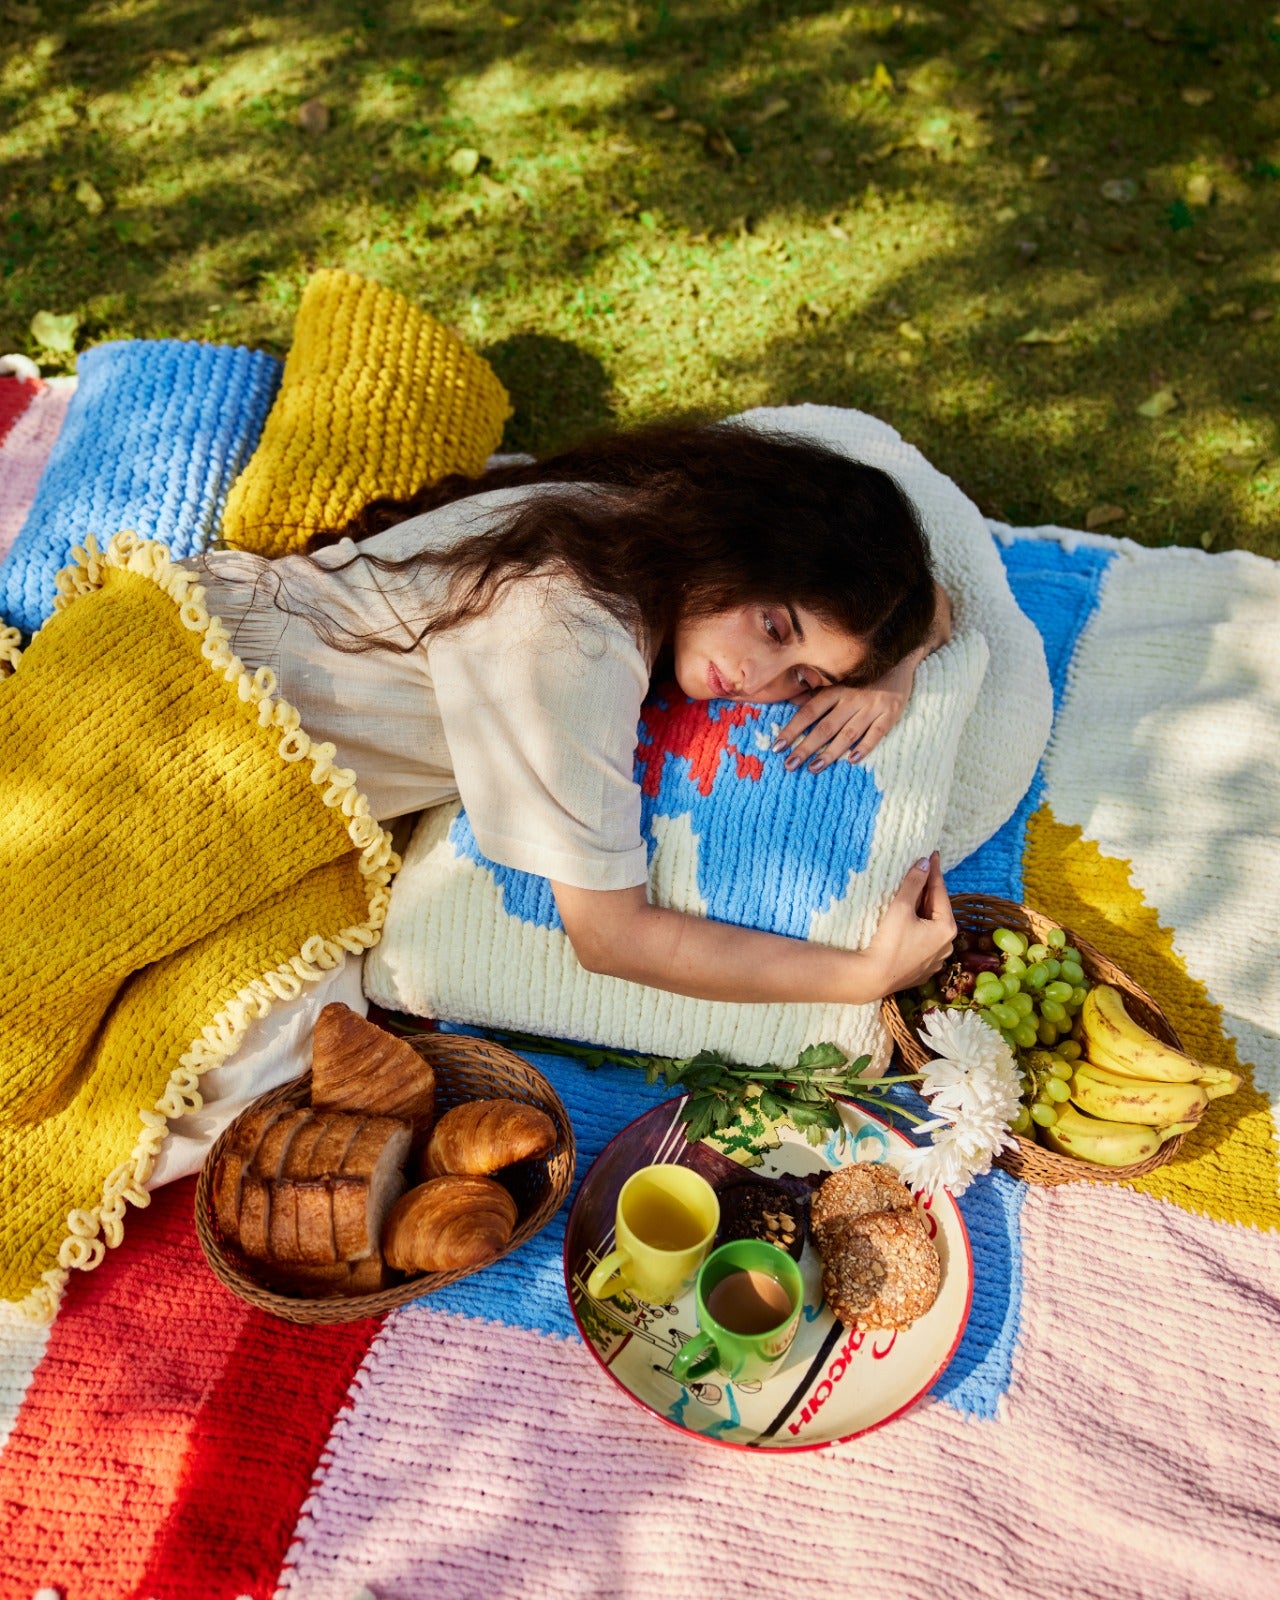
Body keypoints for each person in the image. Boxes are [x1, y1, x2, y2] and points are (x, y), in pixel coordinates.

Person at [191, 419, 957, 1011]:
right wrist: (862, 976)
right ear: (747, 546)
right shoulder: (577, 642)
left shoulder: (629, 513)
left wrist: (888, 671)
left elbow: (936, 609)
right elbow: (613, 938)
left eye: (804, 679)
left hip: (218, 635)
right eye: (773, 626)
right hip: (198, 733)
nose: (758, 682)